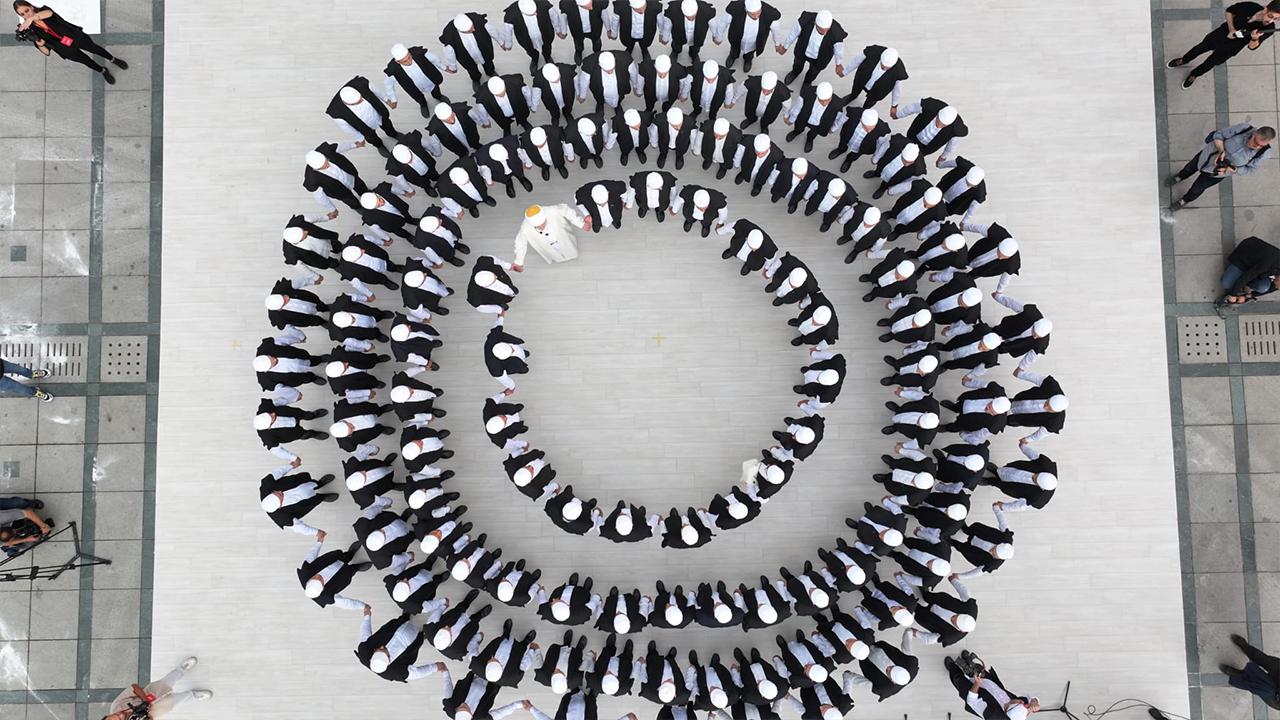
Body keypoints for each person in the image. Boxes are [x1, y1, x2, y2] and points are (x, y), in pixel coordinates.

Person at [1167, 1, 1280, 89]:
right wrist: (1232, 29)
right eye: (1270, 16)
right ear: (1266, 9)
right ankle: (1184, 60)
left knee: (1209, 64)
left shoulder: (1269, 29)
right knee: (1197, 49)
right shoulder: (1250, 6)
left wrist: (1254, 38)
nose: (1271, 21)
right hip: (1219, 35)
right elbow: (1230, 11)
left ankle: (1194, 74)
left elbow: (1252, 47)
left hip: (1230, 49)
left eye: (1275, 19)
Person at [14, 1, 128, 83]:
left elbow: (49, 13)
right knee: (86, 61)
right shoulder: (29, 29)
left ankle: (113, 59)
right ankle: (103, 71)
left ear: (31, 7)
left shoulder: (43, 11)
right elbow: (46, 52)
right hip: (64, 49)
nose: (26, 15)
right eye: (22, 14)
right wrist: (40, 43)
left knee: (95, 49)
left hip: (75, 36)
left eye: (26, 10)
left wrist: (32, 18)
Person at [1167, 123, 1274, 210]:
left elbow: (1251, 168)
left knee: (1197, 188)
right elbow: (1219, 134)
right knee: (1190, 167)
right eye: (1256, 143)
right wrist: (1221, 150)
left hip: (1218, 173)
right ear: (1254, 134)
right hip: (1206, 157)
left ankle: (1186, 199)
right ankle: (1180, 176)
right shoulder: (1243, 129)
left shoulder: (1264, 153)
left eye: (1261, 146)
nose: (1257, 147)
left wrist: (1232, 169)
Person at [102, 657, 211, 719]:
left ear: (107, 716)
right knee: (181, 699)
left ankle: (181, 669)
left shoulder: (116, 704)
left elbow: (134, 687)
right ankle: (194, 695)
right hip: (159, 709)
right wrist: (146, 715)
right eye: (120, 719)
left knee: (169, 679)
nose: (120, 715)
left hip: (152, 693)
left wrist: (145, 700)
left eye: (113, 717)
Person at [946, 652, 1040, 720]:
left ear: (1008, 706)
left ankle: (952, 667)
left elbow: (972, 701)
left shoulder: (992, 715)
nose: (1022, 701)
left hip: (974, 692)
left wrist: (977, 684)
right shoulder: (1017, 707)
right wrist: (1034, 701)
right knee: (977, 670)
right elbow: (1029, 698)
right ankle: (968, 663)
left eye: (1020, 702)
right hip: (990, 684)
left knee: (958, 679)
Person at [779, 10, 846, 86]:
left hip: (820, 58)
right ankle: (795, 72)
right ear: (815, 23)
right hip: (802, 50)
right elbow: (793, 33)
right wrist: (785, 47)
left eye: (827, 30)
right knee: (797, 63)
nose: (825, 34)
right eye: (821, 31)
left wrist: (838, 64)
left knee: (813, 72)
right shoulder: (806, 20)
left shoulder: (836, 32)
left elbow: (838, 50)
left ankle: (807, 82)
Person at [439, 12, 507, 84]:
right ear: (461, 31)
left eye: (472, 26)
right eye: (470, 29)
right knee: (472, 69)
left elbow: (492, 30)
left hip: (484, 50)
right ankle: (476, 79)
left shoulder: (477, 20)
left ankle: (491, 72)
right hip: (466, 57)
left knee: (488, 62)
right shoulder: (449, 35)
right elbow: (449, 52)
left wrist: (501, 42)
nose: (473, 29)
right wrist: (453, 67)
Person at [514, 204, 588, 270]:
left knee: (572, 251)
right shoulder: (525, 228)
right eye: (538, 226)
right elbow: (520, 243)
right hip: (549, 247)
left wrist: (581, 223)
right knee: (557, 257)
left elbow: (567, 210)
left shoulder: (552, 210)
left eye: (543, 223)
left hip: (564, 238)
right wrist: (519, 262)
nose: (542, 227)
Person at [384, 43, 448, 117]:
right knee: (419, 97)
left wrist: (443, 67)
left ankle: (438, 96)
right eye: (405, 61)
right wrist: (393, 99)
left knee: (435, 89)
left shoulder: (418, 53)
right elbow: (388, 84)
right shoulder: (393, 69)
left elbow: (434, 58)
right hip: (414, 87)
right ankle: (423, 104)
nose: (409, 62)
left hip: (429, 79)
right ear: (397, 61)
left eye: (409, 57)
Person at [715, 0, 781, 72]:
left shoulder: (770, 14)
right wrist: (719, 37)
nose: (756, 16)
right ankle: (733, 56)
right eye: (752, 14)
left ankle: (748, 60)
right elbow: (722, 23)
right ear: (746, 9)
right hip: (736, 37)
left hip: (754, 42)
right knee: (734, 49)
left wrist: (777, 43)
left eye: (758, 13)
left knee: (750, 53)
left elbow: (776, 30)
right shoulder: (734, 8)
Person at [1221, 633, 1280, 709]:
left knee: (1255, 685)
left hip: (1275, 695)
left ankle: (1238, 674)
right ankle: (1245, 647)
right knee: (1264, 660)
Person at [1218, 235, 1280, 306]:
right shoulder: (1269, 264)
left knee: (1263, 288)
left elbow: (1271, 289)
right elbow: (1247, 276)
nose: (1276, 287)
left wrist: (1247, 296)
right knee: (1226, 283)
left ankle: (1242, 283)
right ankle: (1240, 279)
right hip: (1246, 258)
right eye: (1277, 286)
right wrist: (1233, 295)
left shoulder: (1278, 277)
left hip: (1258, 267)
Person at [504, 0, 559, 71]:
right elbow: (507, 30)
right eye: (532, 14)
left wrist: (558, 30)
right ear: (522, 12)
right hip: (525, 39)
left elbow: (554, 16)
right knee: (530, 50)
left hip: (545, 33)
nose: (536, 13)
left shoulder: (543, 4)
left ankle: (547, 56)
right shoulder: (511, 14)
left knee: (547, 46)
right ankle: (534, 58)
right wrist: (508, 44)